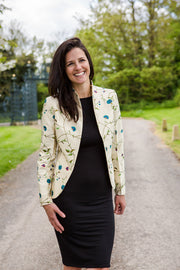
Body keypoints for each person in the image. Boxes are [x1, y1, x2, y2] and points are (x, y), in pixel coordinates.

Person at [37, 37, 126, 270]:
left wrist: (121, 190)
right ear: (63, 70)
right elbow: (46, 155)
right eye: (70, 64)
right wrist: (46, 201)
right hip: (69, 201)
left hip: (100, 199)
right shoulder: (53, 105)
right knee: (73, 266)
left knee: (102, 265)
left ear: (89, 63)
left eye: (82, 60)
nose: (78, 67)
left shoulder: (109, 98)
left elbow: (117, 148)